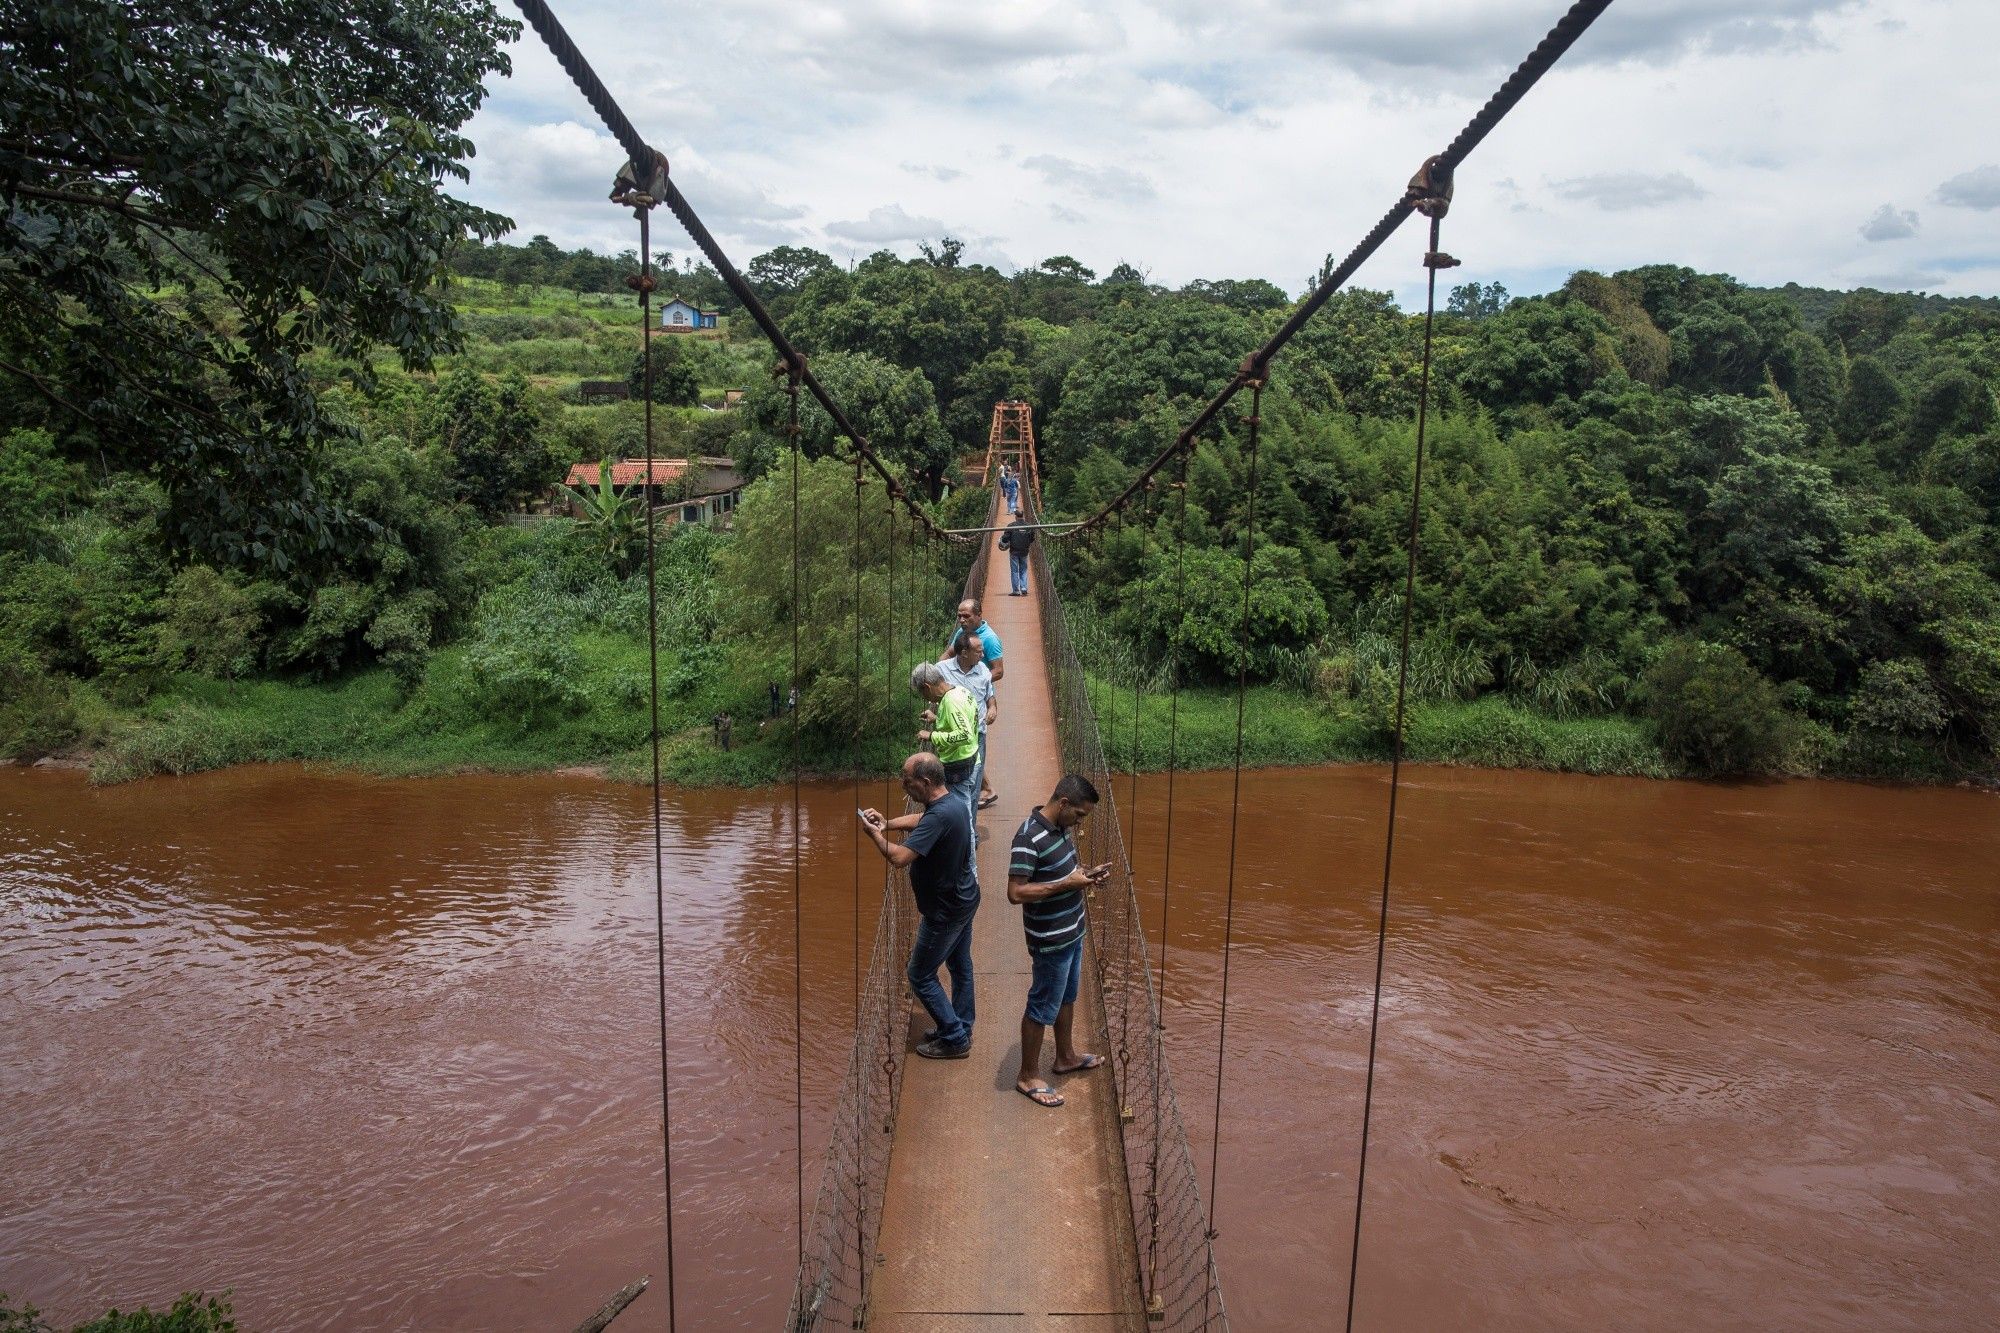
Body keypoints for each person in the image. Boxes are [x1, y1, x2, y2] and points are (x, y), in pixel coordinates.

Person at [859, 753, 979, 1059]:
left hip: (944, 911)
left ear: (924, 782)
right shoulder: (951, 803)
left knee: (920, 975)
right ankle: (961, 1025)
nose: (903, 784)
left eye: (907, 779)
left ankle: (954, 1037)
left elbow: (899, 858)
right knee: (960, 965)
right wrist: (887, 823)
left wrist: (874, 835)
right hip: (964, 899)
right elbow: (922, 821)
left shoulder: (939, 816)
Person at [1007, 774, 1110, 1107]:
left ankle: (1064, 1056)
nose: (1080, 822)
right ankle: (1027, 1076)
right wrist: (1068, 884)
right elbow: (1016, 892)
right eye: (1079, 815)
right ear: (1064, 803)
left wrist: (1087, 876)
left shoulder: (1062, 829)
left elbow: (1065, 871)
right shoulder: (1028, 837)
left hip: (1073, 931)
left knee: (1067, 996)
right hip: (1050, 941)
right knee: (1042, 1004)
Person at [909, 661, 980, 860]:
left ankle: (968, 868)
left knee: (962, 819)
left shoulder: (950, 701)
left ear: (926, 687)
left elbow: (964, 734)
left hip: (958, 766)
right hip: (970, 760)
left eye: (923, 694)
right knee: (962, 813)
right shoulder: (960, 691)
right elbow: (962, 720)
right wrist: (937, 718)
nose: (925, 698)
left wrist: (932, 736)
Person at [941, 600, 1003, 805]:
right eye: (959, 616)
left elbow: (998, 670)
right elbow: (948, 656)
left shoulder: (990, 640)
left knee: (972, 755)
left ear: (978, 615)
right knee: (966, 752)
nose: (961, 620)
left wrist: (971, 686)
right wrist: (935, 676)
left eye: (966, 616)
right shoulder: (962, 634)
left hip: (976, 709)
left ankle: (971, 814)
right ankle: (982, 791)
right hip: (958, 708)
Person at [998, 513, 1034, 597]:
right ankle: (1024, 588)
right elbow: (1032, 538)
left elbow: (1005, 538)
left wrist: (1003, 540)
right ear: (1023, 516)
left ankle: (1016, 591)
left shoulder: (1011, 525)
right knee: (1023, 570)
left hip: (1014, 551)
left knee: (1014, 571)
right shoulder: (1029, 526)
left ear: (1016, 517)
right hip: (1024, 551)